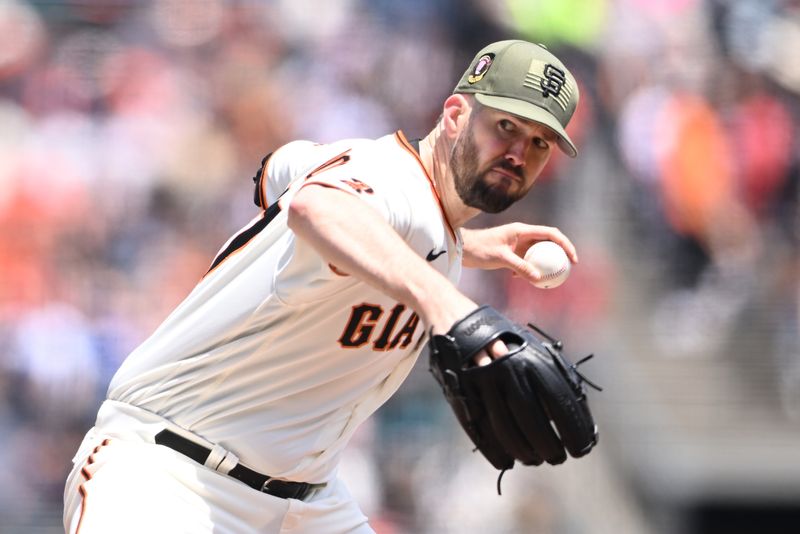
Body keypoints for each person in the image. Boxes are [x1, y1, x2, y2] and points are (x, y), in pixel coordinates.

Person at [63, 39, 582, 534]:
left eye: (539, 142)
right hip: (170, 475)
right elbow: (319, 207)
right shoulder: (391, 180)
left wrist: (465, 246)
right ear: (454, 115)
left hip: (303, 502)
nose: (518, 151)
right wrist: (453, 308)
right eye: (506, 125)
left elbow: (281, 173)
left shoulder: (408, 206)